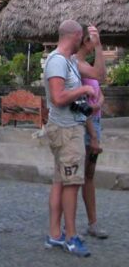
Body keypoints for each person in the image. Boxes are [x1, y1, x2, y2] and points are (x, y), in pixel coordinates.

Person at [43, 20, 106, 257]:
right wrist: (83, 90)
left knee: (60, 181)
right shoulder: (57, 61)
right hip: (66, 131)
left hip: (69, 130)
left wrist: (99, 47)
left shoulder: (70, 62)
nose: (83, 42)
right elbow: (58, 98)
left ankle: (54, 234)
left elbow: (100, 74)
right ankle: (71, 237)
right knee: (71, 184)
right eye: (83, 38)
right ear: (76, 36)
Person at [76, 28, 108, 239]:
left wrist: (99, 104)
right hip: (87, 125)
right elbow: (101, 75)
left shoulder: (86, 65)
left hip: (95, 122)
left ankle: (92, 222)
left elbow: (100, 90)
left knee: (89, 175)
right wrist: (98, 47)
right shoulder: (77, 65)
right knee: (81, 175)